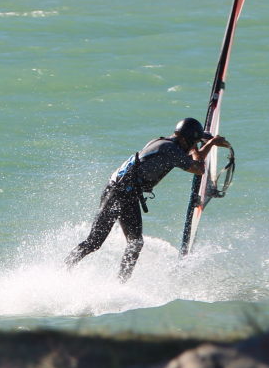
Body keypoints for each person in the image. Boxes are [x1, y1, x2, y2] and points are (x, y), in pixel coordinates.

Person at [65, 117, 231, 281]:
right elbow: (199, 168)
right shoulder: (170, 149)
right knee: (94, 242)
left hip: (128, 195)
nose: (194, 146)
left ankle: (120, 283)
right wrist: (210, 144)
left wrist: (200, 142)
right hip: (116, 193)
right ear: (183, 139)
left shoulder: (165, 142)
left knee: (135, 243)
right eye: (193, 142)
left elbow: (191, 156)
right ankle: (65, 267)